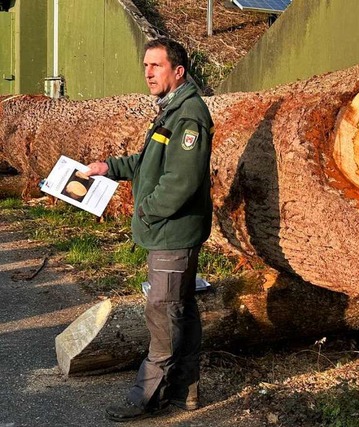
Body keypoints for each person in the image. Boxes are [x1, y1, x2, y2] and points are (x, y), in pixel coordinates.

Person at [86, 37, 213, 422]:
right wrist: (111, 167)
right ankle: (184, 391)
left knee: (162, 310)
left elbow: (181, 180)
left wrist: (146, 210)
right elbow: (150, 160)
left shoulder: (188, 116)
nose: (148, 73)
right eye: (145, 66)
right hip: (169, 231)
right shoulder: (171, 110)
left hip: (173, 232)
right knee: (181, 308)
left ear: (178, 71)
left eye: (155, 66)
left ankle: (147, 396)